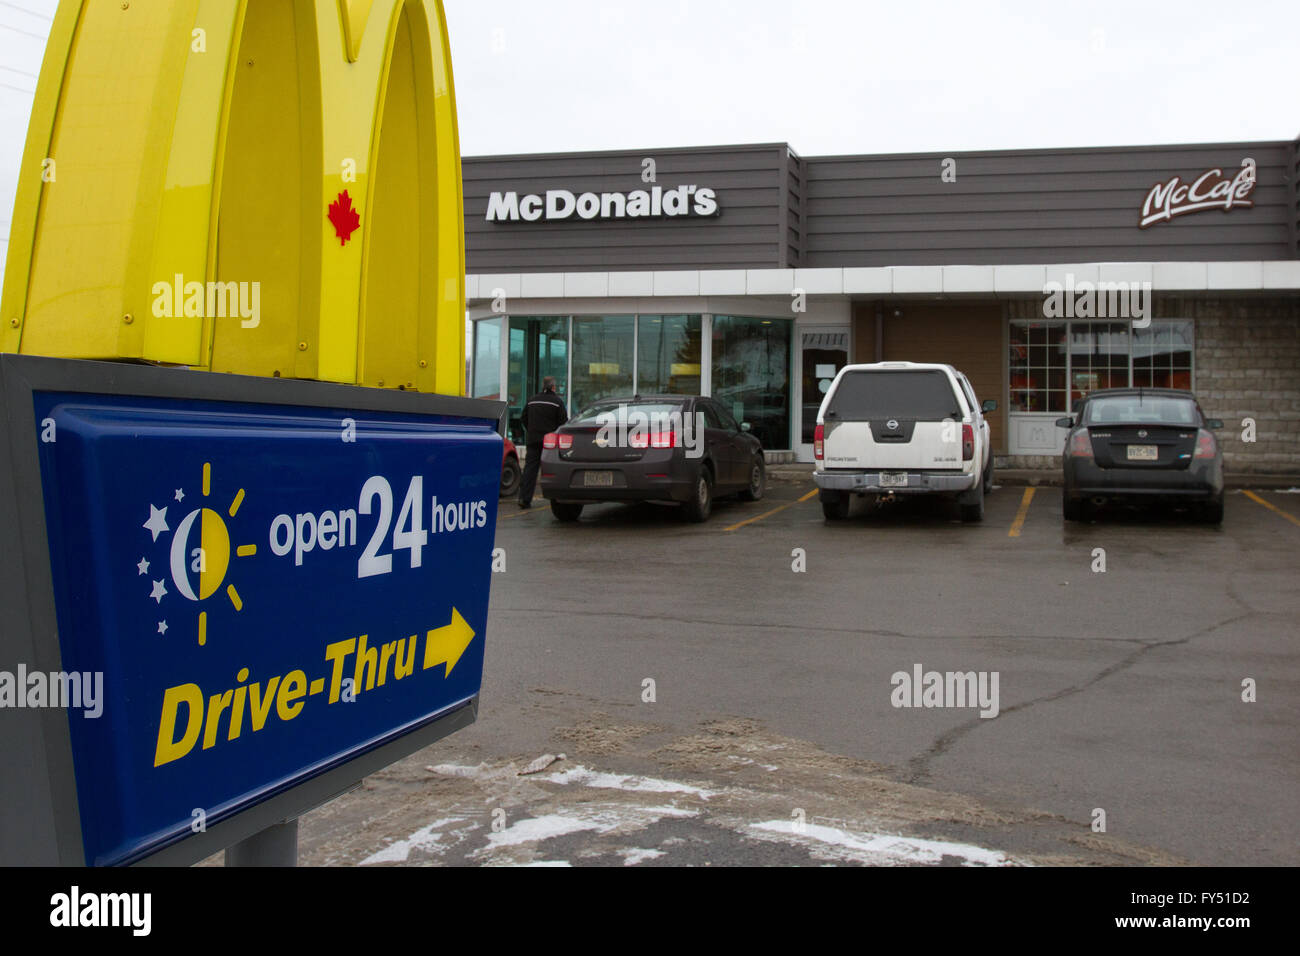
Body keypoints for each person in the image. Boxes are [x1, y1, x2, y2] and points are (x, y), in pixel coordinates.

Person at [517, 376, 567, 508]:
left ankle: (524, 498)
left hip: (533, 440)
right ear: (553, 387)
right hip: (550, 442)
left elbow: (523, 418)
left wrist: (531, 430)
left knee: (530, 470)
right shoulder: (557, 402)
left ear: (543, 386)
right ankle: (557, 500)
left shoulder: (532, 400)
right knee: (553, 469)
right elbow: (563, 423)